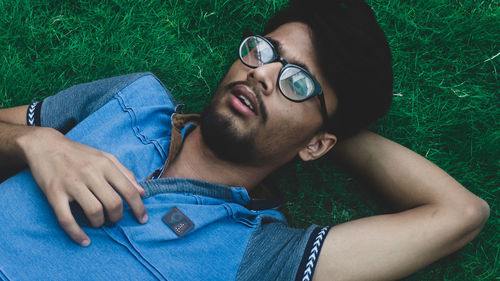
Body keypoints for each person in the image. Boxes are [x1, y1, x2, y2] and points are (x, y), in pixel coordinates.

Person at [0, 0, 489, 280]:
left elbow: (461, 214)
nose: (263, 74)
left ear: (319, 146)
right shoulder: (132, 97)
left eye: (297, 82)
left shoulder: (259, 254)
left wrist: (330, 131)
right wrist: (38, 144)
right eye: (263, 52)